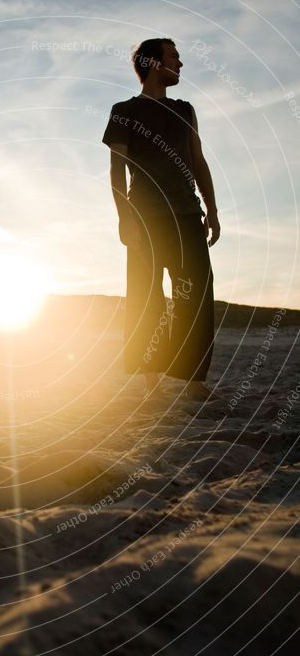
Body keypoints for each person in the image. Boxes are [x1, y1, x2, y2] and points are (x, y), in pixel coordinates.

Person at [102, 37, 221, 401]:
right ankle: (150, 383)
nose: (180, 64)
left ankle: (192, 380)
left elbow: (198, 162)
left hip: (187, 212)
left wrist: (212, 208)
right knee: (147, 296)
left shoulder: (185, 110)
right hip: (145, 216)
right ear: (154, 63)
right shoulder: (125, 110)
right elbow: (116, 170)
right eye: (174, 57)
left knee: (197, 292)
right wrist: (125, 219)